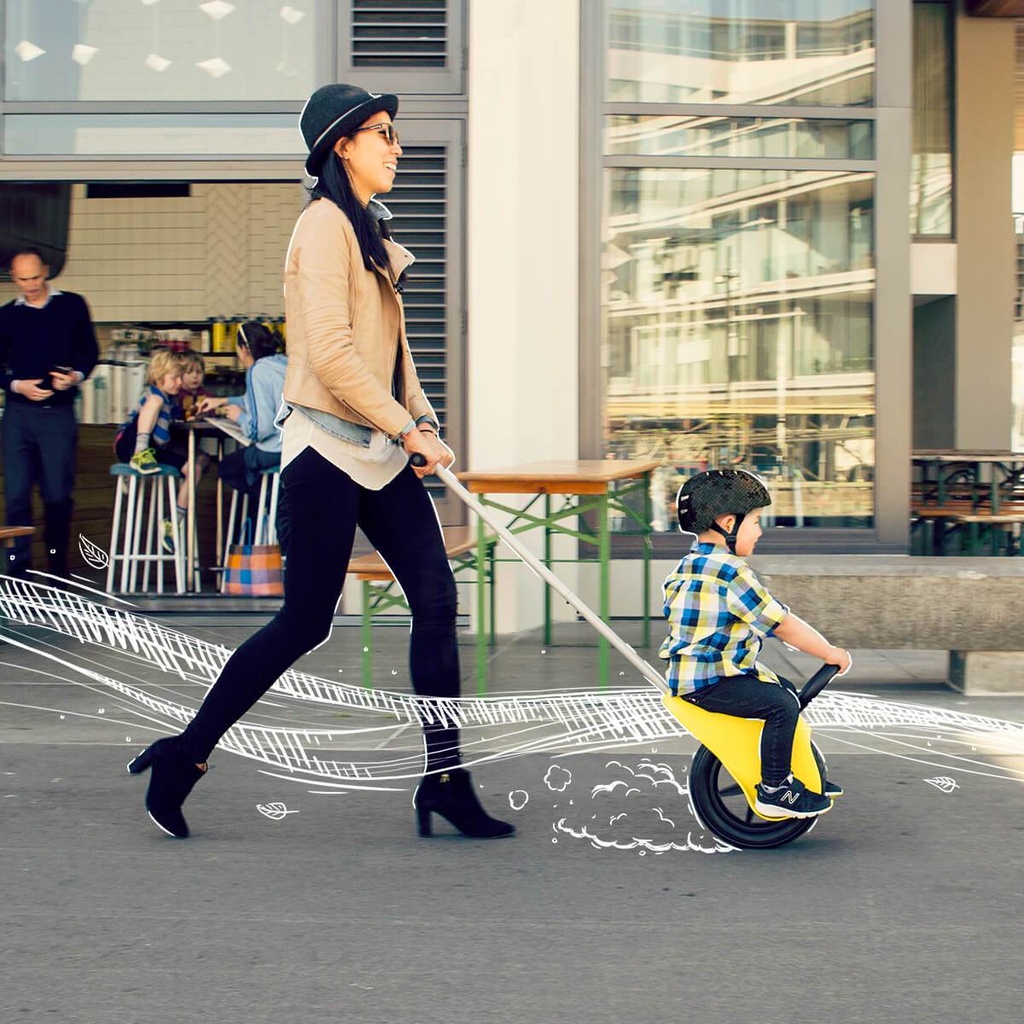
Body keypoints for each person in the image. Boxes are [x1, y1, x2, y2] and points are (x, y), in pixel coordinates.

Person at [128, 82, 514, 842]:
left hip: (379, 448)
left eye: (395, 134)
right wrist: (407, 430)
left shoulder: (366, 227)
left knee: (436, 604)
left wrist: (422, 420)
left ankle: (445, 780)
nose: (396, 147)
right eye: (382, 134)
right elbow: (330, 354)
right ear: (341, 146)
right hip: (328, 453)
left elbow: (389, 353)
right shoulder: (321, 228)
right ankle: (186, 755)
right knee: (304, 621)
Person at [660, 468, 852, 819]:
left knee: (785, 689)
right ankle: (775, 789)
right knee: (781, 704)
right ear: (728, 523)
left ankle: (802, 772)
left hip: (702, 674)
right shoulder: (731, 573)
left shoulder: (689, 565)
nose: (761, 531)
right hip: (711, 681)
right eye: (756, 521)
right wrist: (829, 652)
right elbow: (783, 625)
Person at [0, 248, 98, 578]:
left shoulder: (71, 305)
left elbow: (89, 352)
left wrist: (74, 377)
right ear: (14, 277)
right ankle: (17, 572)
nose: (31, 285)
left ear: (46, 271)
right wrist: (16, 386)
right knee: (16, 495)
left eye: (36, 277)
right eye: (23, 279)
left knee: (57, 495)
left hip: (57, 414)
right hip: (18, 415)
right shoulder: (6, 316)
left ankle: (57, 566)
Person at [196, 322, 287, 539]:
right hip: (295, 449)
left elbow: (260, 430)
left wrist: (240, 417)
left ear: (243, 349)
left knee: (228, 468)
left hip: (273, 450)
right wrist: (223, 401)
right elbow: (265, 402)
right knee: (254, 474)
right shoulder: (283, 363)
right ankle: (275, 499)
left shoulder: (256, 371)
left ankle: (269, 500)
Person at [114, 348, 207, 550]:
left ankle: (173, 522)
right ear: (159, 376)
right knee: (155, 402)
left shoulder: (172, 401)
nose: (179, 383)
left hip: (155, 449)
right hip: (129, 443)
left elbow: (164, 436)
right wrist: (141, 448)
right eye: (175, 378)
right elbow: (155, 423)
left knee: (194, 469)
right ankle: (138, 456)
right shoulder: (154, 395)